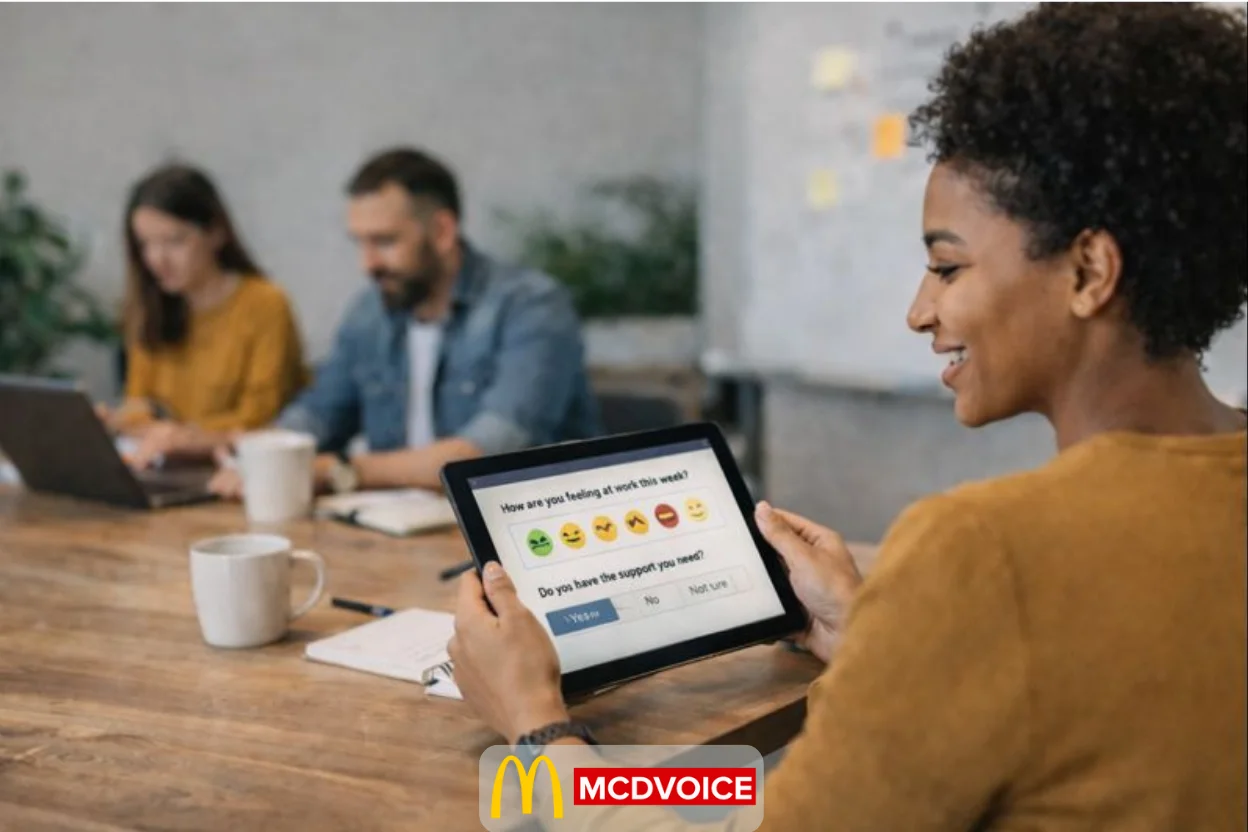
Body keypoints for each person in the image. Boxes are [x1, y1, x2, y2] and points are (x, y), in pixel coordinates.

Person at [448, 4, 1247, 830]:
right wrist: (877, 641)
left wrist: (540, 729)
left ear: (1089, 271)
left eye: (947, 267)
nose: (919, 311)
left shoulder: (987, 552)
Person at [209, 148, 600, 497]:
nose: (367, 264)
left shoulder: (531, 306)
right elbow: (320, 412)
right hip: (399, 528)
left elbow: (489, 451)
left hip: (529, 529)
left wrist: (343, 471)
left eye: (384, 242)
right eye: (360, 243)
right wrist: (260, 454)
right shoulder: (370, 312)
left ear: (442, 232)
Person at [102, 165, 307, 468]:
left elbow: (259, 418)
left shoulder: (265, 304)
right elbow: (138, 406)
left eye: (175, 241)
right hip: (167, 464)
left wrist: (183, 435)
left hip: (243, 468)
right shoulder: (150, 306)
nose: (157, 259)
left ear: (216, 233)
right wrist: (117, 421)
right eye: (146, 244)